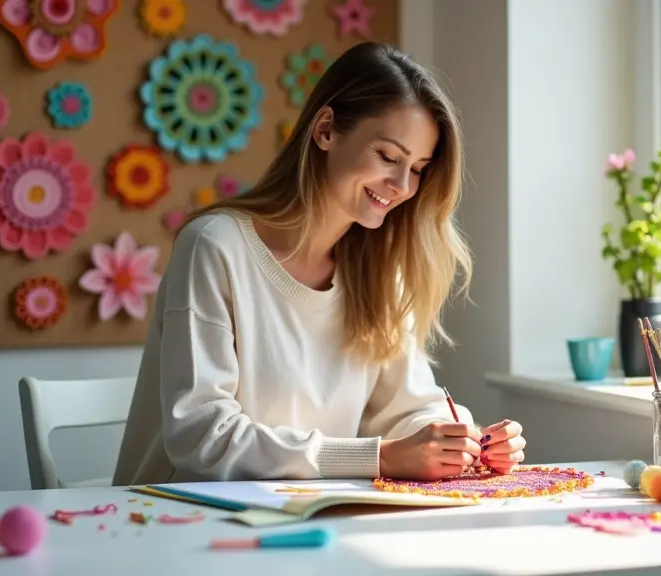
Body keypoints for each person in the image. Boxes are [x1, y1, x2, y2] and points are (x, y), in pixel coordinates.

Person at [112, 41, 526, 486]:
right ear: (326, 129)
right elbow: (201, 439)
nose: (403, 186)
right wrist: (380, 458)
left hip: (310, 519)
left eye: (419, 168)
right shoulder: (215, 246)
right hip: (176, 523)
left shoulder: (381, 270)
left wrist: (457, 441)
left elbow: (408, 408)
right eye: (388, 157)